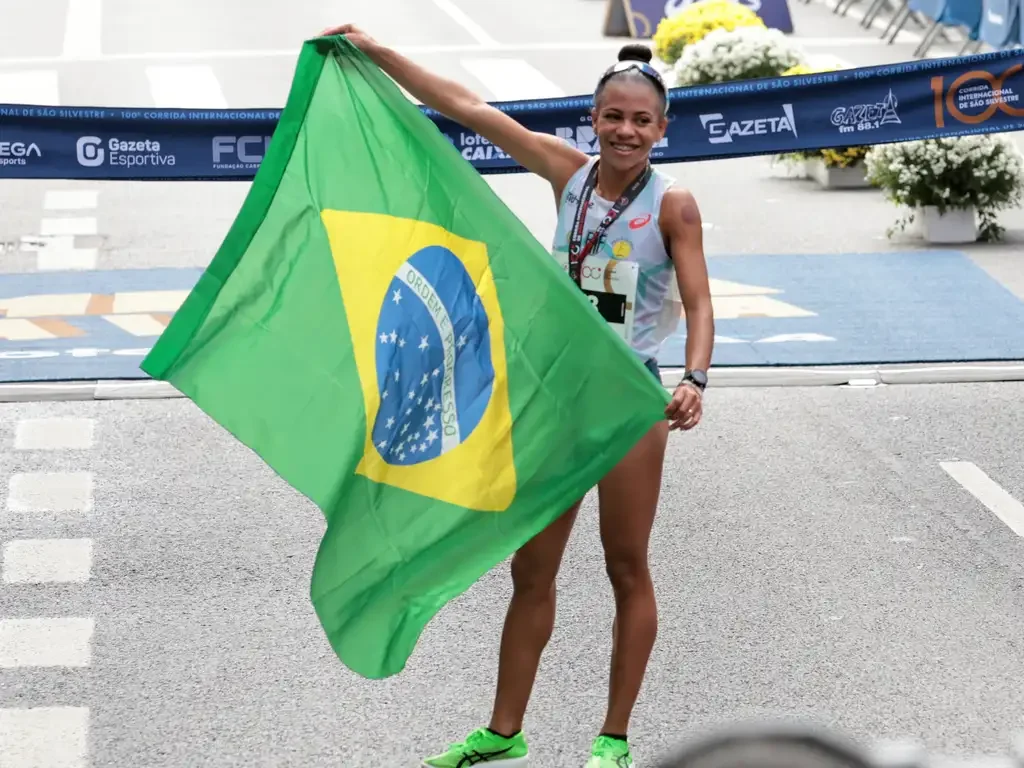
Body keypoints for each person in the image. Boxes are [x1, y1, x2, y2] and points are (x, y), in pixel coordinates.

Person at [318, 22, 716, 768]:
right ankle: (504, 731)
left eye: (640, 121)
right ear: (592, 121)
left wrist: (694, 377)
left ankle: (613, 738)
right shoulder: (568, 174)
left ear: (662, 130)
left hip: (631, 404)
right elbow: (470, 108)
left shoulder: (673, 206)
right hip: (557, 402)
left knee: (626, 566)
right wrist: (376, 52)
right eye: (612, 117)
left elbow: (698, 301)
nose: (625, 131)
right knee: (531, 569)